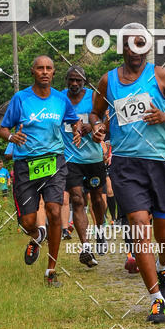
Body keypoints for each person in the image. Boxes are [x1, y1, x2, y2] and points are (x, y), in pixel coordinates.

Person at [90, 23, 165, 324]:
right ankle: (156, 298)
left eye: (142, 44)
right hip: (126, 164)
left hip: (162, 162)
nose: (136, 50)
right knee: (137, 223)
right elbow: (96, 113)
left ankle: (162, 266)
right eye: (131, 45)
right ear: (122, 47)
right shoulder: (108, 81)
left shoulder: (160, 75)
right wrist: (97, 126)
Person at [0, 55, 81, 287]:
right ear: (33, 72)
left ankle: (51, 270)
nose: (44, 72)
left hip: (54, 161)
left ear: (54, 73)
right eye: (40, 68)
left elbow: (73, 120)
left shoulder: (60, 99)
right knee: (28, 221)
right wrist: (12, 136)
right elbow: (3, 129)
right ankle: (37, 236)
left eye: (49, 68)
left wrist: (76, 130)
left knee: (55, 211)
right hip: (26, 164)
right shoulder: (21, 98)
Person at [61, 66, 107, 267]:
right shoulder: (59, 99)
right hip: (70, 159)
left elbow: (107, 117)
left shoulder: (93, 97)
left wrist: (94, 126)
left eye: (78, 80)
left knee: (97, 198)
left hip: (93, 158)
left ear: (84, 82)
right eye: (71, 80)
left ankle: (100, 231)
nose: (74, 84)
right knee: (78, 200)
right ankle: (86, 247)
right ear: (66, 81)